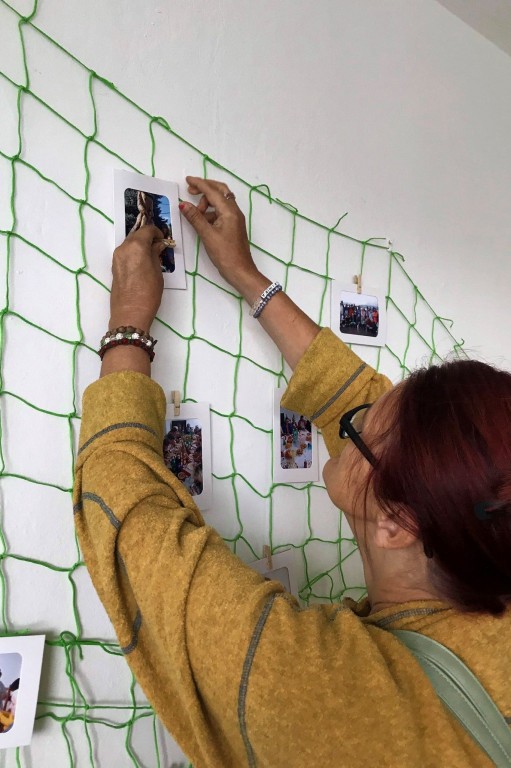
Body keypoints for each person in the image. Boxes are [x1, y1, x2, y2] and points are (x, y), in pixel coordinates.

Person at [73, 176, 511, 768]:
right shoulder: (482, 552)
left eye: (362, 427)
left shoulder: (321, 693)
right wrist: (245, 275)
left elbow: (127, 506)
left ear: (398, 522)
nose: (354, 416)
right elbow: (353, 398)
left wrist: (128, 318)